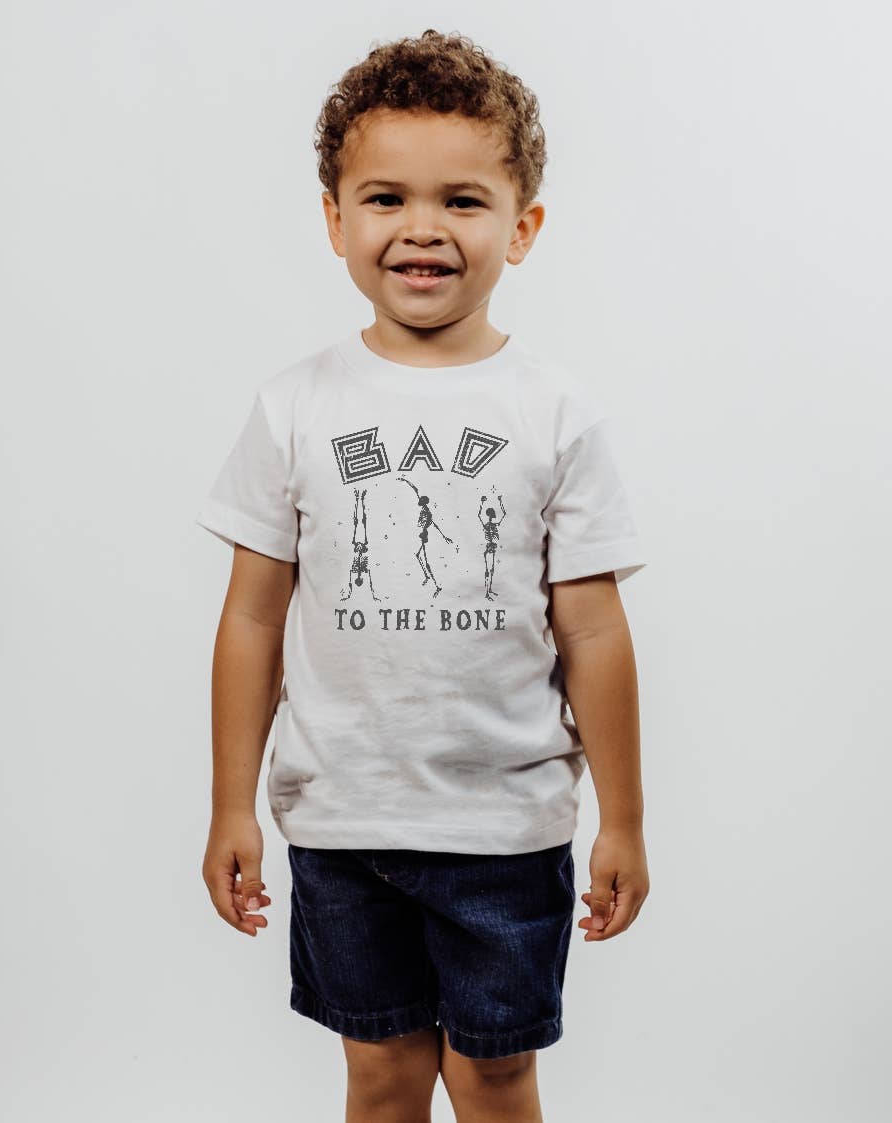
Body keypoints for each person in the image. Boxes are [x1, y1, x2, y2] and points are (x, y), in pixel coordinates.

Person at [196, 28, 650, 1123]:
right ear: (335, 220)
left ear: (521, 226)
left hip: (505, 833)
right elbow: (252, 619)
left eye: (462, 200)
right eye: (386, 197)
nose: (422, 228)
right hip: (341, 826)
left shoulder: (554, 413)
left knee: (494, 1076)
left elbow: (593, 630)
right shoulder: (293, 407)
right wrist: (228, 805)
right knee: (383, 1075)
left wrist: (624, 819)